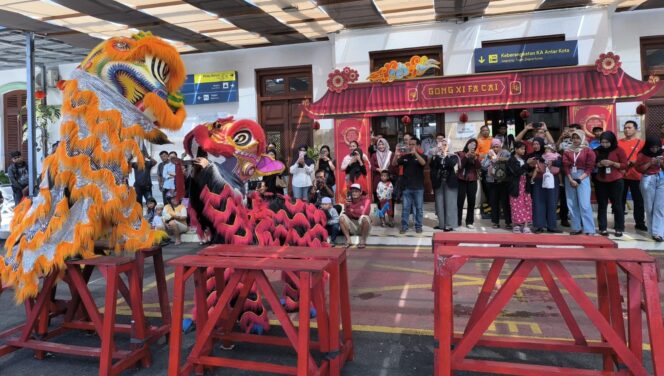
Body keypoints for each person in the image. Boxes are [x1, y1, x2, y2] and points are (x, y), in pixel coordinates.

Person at [562, 129, 596, 235]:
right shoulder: (567, 150)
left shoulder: (588, 150)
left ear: (582, 138)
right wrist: (571, 179)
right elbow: (565, 166)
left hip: (583, 176)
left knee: (584, 204)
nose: (575, 140)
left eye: (577, 138)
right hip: (570, 177)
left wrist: (579, 179)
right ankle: (576, 228)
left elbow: (590, 168)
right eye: (573, 138)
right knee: (571, 203)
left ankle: (589, 229)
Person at [595, 131, 628, 237]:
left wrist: (612, 163)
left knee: (617, 204)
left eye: (607, 142)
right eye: (602, 142)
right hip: (601, 180)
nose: (604, 145)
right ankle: (602, 228)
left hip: (616, 181)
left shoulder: (619, 150)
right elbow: (592, 164)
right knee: (602, 205)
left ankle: (619, 228)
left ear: (612, 141)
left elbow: (624, 165)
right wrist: (599, 164)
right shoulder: (597, 151)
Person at [618, 120, 647, 231]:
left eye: (629, 127)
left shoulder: (641, 143)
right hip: (621, 176)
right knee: (620, 201)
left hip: (636, 176)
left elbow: (645, 158)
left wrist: (636, 161)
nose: (626, 130)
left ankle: (640, 223)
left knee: (639, 201)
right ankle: (619, 223)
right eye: (625, 128)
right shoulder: (618, 143)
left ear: (635, 129)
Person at [635, 136, 664, 242]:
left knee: (660, 207)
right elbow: (639, 169)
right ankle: (652, 231)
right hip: (648, 179)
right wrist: (650, 163)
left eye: (657, 147)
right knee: (649, 207)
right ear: (648, 146)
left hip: (661, 179)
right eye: (652, 147)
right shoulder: (642, 154)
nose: (655, 150)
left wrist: (661, 162)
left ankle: (658, 233)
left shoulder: (662, 153)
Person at [529, 143, 562, 233]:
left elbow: (560, 164)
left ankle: (552, 226)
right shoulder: (539, 156)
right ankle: (538, 226)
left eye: (549, 148)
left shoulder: (558, 156)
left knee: (552, 202)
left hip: (553, 179)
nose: (547, 149)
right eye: (546, 148)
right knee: (538, 202)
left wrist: (552, 162)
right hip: (540, 179)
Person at [397, 137, 427, 234]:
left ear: (418, 146)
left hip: (418, 187)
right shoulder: (405, 156)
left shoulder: (422, 155)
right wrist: (395, 155)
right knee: (405, 208)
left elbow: (423, 163)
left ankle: (418, 226)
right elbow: (395, 163)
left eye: (413, 144)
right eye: (409, 144)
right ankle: (404, 226)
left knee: (419, 208)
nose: (411, 146)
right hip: (406, 187)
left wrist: (416, 154)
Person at [482, 139, 512, 229]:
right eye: (494, 146)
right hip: (492, 181)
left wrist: (503, 159)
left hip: (503, 181)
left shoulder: (505, 152)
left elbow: (512, 161)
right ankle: (495, 222)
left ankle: (508, 222)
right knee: (494, 202)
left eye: (497, 146)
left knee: (505, 203)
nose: (495, 148)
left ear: (500, 146)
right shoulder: (489, 154)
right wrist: (490, 160)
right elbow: (483, 166)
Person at [430, 138, 458, 231]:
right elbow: (432, 166)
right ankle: (441, 224)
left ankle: (449, 225)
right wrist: (435, 156)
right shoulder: (437, 156)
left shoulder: (453, 156)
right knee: (439, 204)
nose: (443, 146)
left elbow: (451, 164)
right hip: (439, 182)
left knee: (450, 204)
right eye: (442, 144)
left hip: (450, 182)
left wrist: (445, 154)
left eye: (445, 145)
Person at [507, 141, 533, 233]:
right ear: (515, 149)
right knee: (516, 205)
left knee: (527, 204)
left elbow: (527, 171)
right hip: (515, 186)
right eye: (521, 149)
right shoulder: (511, 160)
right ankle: (516, 225)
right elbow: (516, 172)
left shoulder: (524, 159)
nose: (523, 150)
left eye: (524, 149)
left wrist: (531, 165)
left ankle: (526, 225)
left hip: (525, 184)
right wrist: (527, 164)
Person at [456, 138, 481, 228]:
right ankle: (457, 221)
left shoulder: (476, 155)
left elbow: (479, 167)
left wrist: (475, 158)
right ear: (467, 144)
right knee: (459, 201)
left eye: (475, 145)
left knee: (471, 201)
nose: (473, 146)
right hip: (461, 179)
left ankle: (469, 222)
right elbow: (460, 165)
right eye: (471, 144)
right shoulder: (460, 153)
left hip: (472, 180)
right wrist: (466, 156)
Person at [339, 183, 371, 248]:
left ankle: (362, 240)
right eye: (352, 191)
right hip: (353, 225)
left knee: (364, 217)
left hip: (362, 225)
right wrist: (347, 207)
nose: (354, 193)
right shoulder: (348, 201)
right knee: (341, 217)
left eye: (356, 191)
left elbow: (364, 212)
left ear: (361, 192)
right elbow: (349, 215)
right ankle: (348, 240)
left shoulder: (366, 200)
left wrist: (353, 211)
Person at [370, 137, 393, 204]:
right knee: (378, 199)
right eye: (379, 145)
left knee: (389, 199)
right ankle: (380, 214)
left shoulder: (391, 154)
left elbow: (393, 166)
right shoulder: (374, 155)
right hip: (377, 178)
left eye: (382, 144)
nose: (381, 146)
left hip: (388, 179)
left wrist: (386, 171)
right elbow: (371, 166)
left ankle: (389, 213)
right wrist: (377, 169)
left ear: (386, 145)